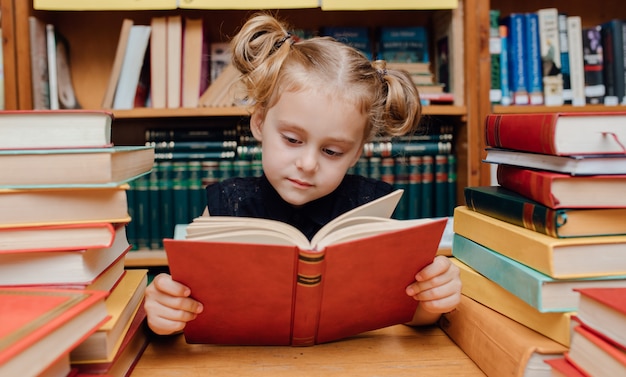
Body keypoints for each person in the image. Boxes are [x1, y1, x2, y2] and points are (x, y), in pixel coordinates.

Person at [144, 12, 461, 336]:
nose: (308, 164)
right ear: (259, 122)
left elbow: (407, 312)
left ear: (355, 153)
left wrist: (433, 301)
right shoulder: (228, 205)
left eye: (332, 151)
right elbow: (187, 310)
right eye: (293, 140)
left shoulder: (372, 209)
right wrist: (164, 312)